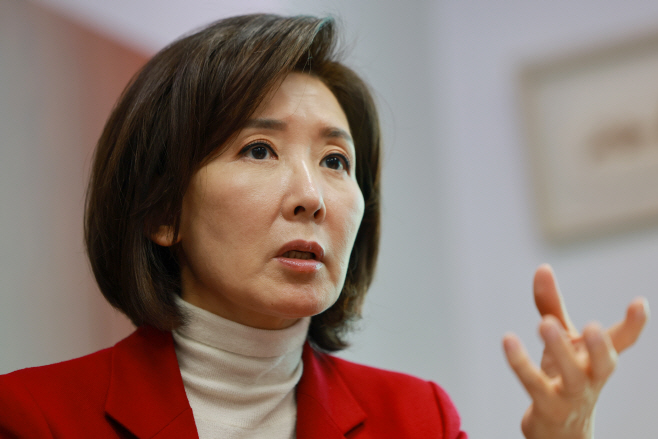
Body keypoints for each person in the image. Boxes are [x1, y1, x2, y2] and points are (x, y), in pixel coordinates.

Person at [0, 13, 648, 439]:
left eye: (336, 161)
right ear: (162, 210)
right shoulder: (33, 416)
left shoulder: (416, 418)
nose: (312, 197)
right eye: (259, 149)